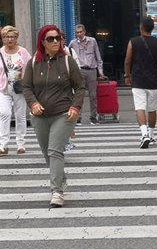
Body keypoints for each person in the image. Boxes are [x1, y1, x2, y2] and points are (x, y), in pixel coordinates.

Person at [22, 25, 85, 207]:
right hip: (40, 115)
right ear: (42, 42)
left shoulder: (67, 61)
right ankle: (61, 177)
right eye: (51, 39)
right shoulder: (34, 62)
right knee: (46, 153)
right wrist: (33, 103)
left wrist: (75, 107)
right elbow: (26, 87)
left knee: (55, 150)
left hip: (63, 114)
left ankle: (57, 192)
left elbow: (80, 86)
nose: (56, 41)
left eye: (57, 38)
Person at [124, 17, 157, 149]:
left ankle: (144, 135)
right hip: (153, 80)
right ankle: (151, 134)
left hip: (138, 79)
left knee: (140, 107)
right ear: (152, 28)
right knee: (152, 109)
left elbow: (127, 60)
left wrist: (127, 75)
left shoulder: (133, 42)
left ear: (141, 27)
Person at [0, 26, 32, 155]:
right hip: (3, 89)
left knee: (20, 116)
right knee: (4, 114)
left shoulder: (23, 52)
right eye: (7, 37)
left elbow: (30, 68)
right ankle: (3, 144)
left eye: (12, 37)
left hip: (20, 88)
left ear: (16, 38)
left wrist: (27, 81)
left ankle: (20, 144)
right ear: (3, 38)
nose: (10, 39)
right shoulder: (0, 52)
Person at [68, 24, 104, 124]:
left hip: (91, 69)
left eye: (80, 32)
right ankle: (78, 117)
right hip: (79, 70)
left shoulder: (92, 41)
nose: (79, 34)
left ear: (84, 32)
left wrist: (100, 71)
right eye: (77, 32)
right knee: (79, 94)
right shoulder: (73, 43)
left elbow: (98, 57)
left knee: (93, 95)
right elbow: (67, 54)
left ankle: (93, 117)